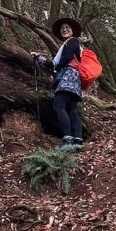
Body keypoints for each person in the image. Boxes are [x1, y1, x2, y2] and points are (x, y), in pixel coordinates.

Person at [31, 17, 83, 149]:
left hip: (69, 75)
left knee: (59, 105)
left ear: (72, 31)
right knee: (72, 109)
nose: (64, 30)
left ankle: (68, 140)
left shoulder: (73, 42)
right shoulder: (65, 45)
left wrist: (56, 68)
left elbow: (64, 60)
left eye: (67, 28)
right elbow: (52, 64)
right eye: (62, 29)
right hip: (75, 78)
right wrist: (39, 57)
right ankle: (78, 140)